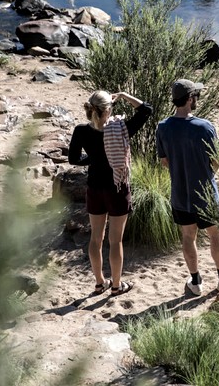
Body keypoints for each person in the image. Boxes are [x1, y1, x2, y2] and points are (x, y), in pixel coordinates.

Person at [68, 90, 153, 296]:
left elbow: (73, 159)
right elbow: (146, 110)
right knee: (115, 242)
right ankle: (116, 286)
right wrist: (123, 95)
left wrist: (93, 159)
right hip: (117, 188)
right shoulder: (120, 129)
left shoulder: (81, 131)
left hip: (95, 188)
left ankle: (99, 283)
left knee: (96, 240)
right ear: (108, 109)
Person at [156, 79, 219, 296]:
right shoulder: (205, 127)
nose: (197, 99)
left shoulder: (163, 127)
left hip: (180, 194)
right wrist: (207, 174)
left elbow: (165, 162)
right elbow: (216, 161)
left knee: (188, 236)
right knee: (215, 235)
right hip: (206, 194)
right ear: (190, 99)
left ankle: (196, 281)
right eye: (196, 96)